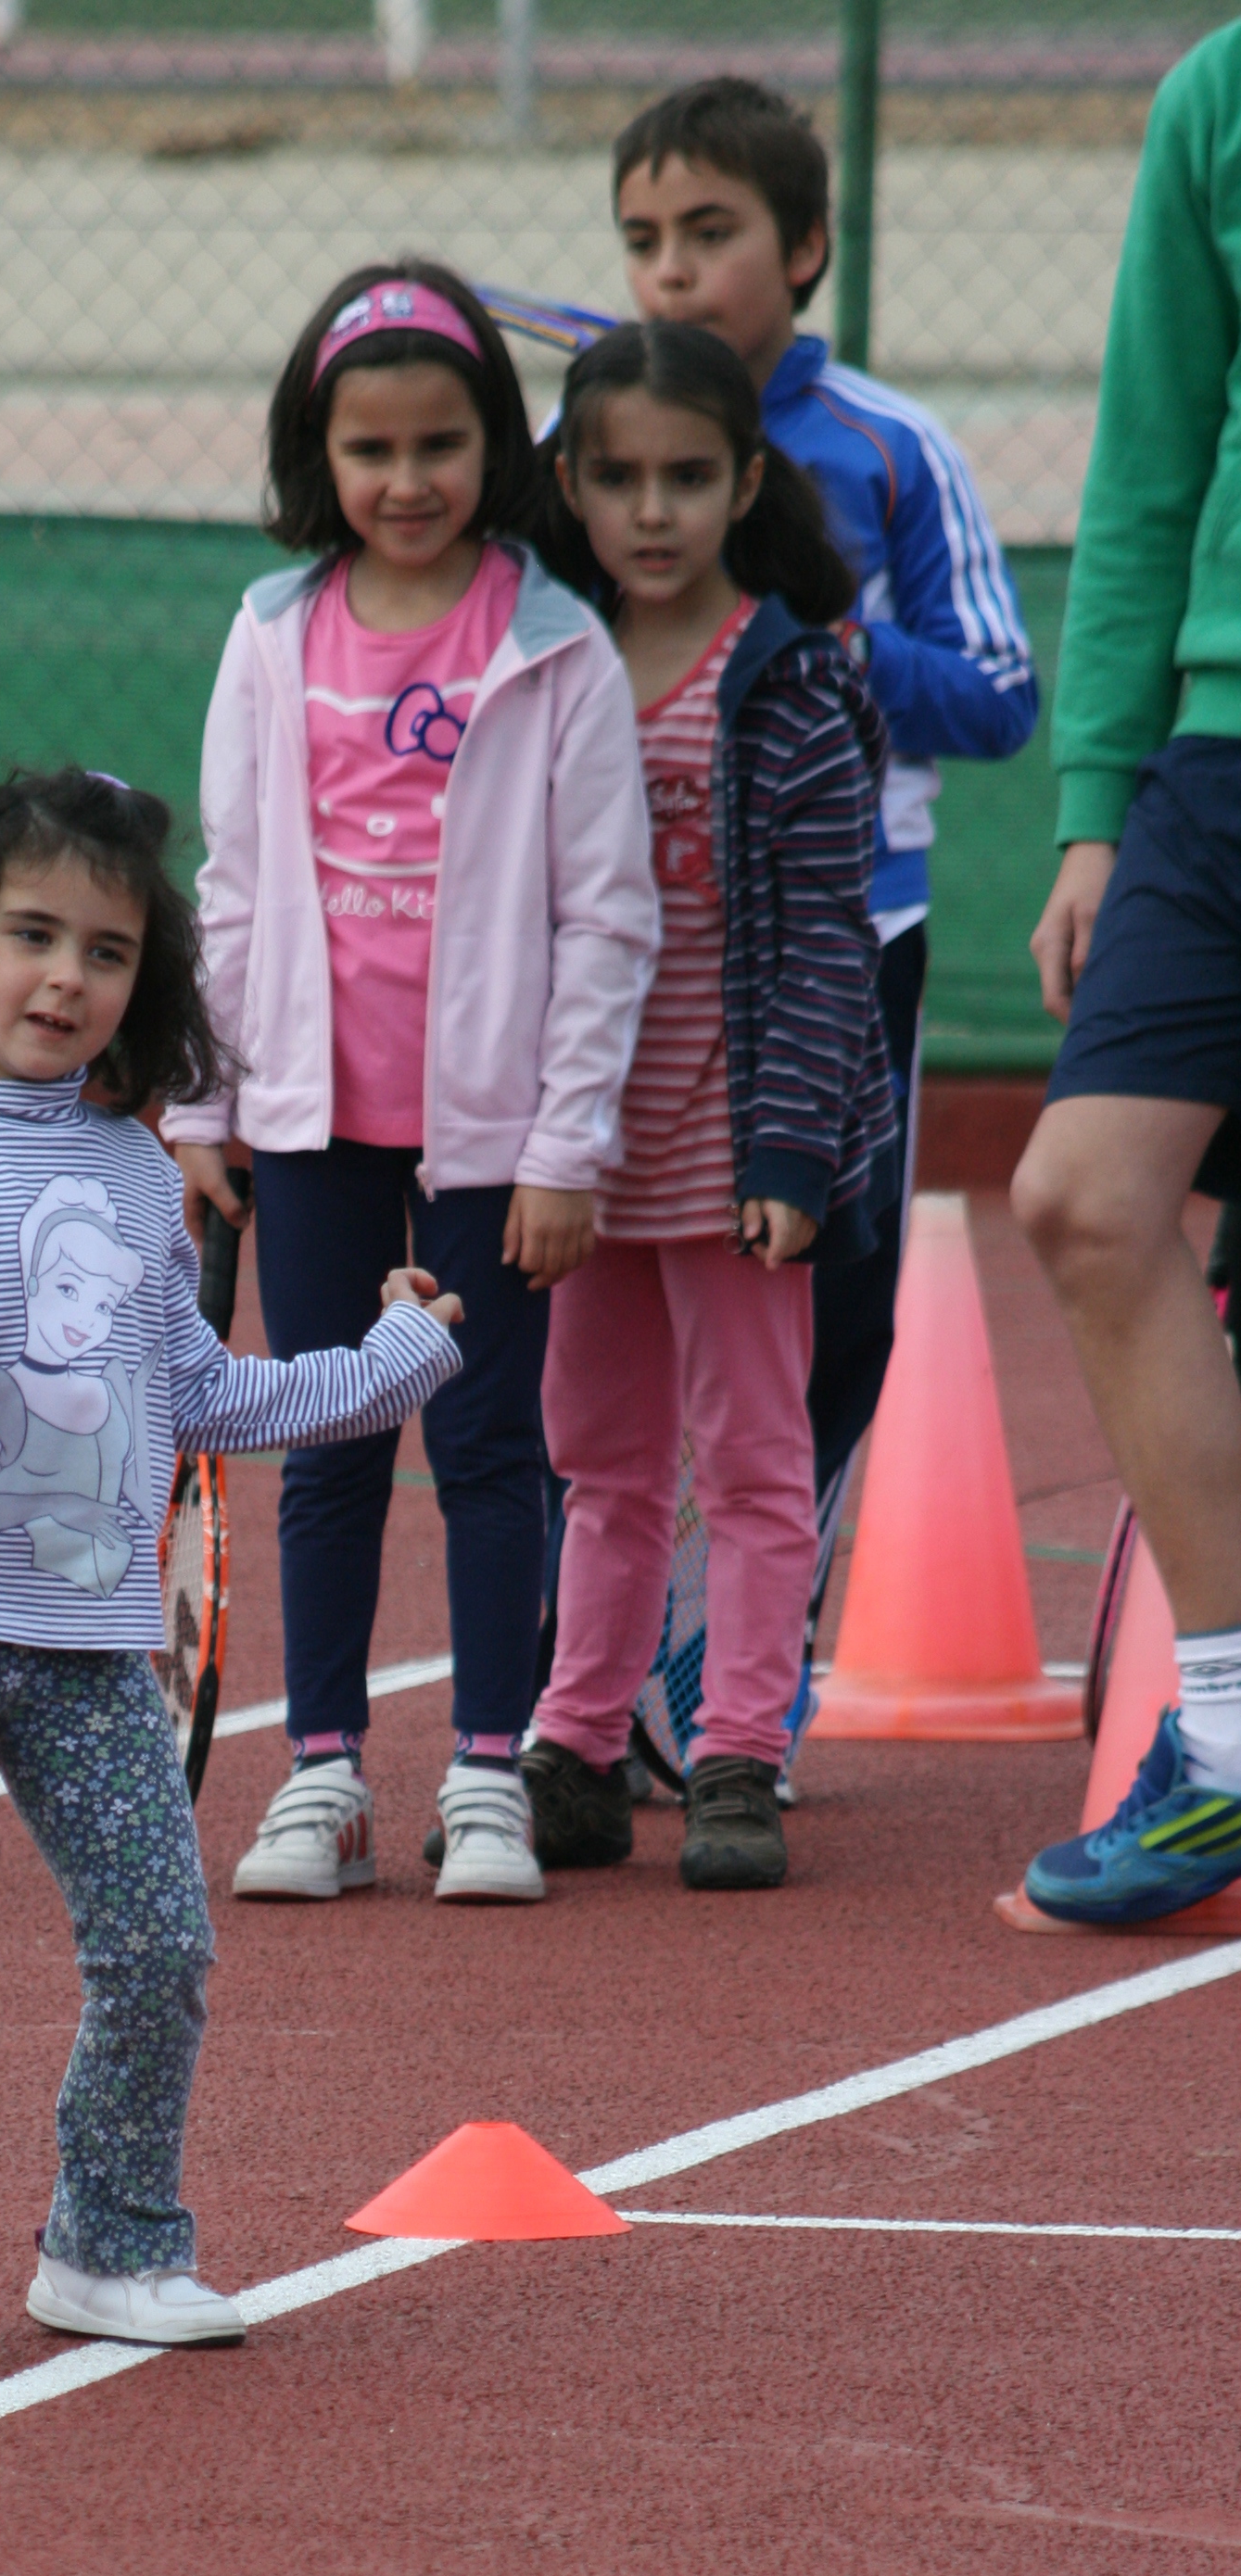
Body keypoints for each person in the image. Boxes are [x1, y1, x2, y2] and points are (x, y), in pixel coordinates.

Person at [0, 768, 465, 2350]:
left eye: (107, 952)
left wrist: (395, 1363)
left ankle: (109, 2246)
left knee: (160, 1943)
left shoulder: (132, 1173)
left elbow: (195, 1400)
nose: (67, 977)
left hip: (85, 1633)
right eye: (32, 935)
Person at [162, 260, 656, 1908]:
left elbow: (607, 918)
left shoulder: (557, 645)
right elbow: (233, 891)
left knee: (493, 1446)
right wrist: (203, 1106)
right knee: (331, 1444)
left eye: (440, 443)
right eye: (369, 448)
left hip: (493, 1147)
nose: (407, 479)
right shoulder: (269, 632)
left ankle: (489, 1775)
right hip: (310, 1131)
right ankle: (322, 1779)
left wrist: (566, 1146)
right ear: (320, 456)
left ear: (496, 443)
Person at [611, 76, 1037, 1741]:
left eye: (710, 232)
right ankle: (590, 1688)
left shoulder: (890, 448)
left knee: (824, 1311)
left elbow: (998, 697)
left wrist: (828, 636)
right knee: (602, 1324)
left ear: (805, 248)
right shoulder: (599, 452)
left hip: (847, 946)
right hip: (629, 964)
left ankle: (746, 1684)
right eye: (643, 238)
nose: (672, 270)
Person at [524, 322, 893, 1893]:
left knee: (752, 1462)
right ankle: (575, 1745)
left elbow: (830, 939)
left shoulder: (789, 682)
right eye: (619, 479)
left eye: (688, 477)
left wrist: (795, 1149)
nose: (653, 510)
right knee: (598, 1459)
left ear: (746, 484)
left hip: (739, 1154)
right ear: (570, 488)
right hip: (586, 1154)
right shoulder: (546, 666)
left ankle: (738, 1751)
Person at [1007, 23, 1241, 1925]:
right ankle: (1233, 1742)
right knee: (1086, 1199)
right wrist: (1096, 808)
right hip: (1219, 754)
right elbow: (1150, 459)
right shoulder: (1216, 95)